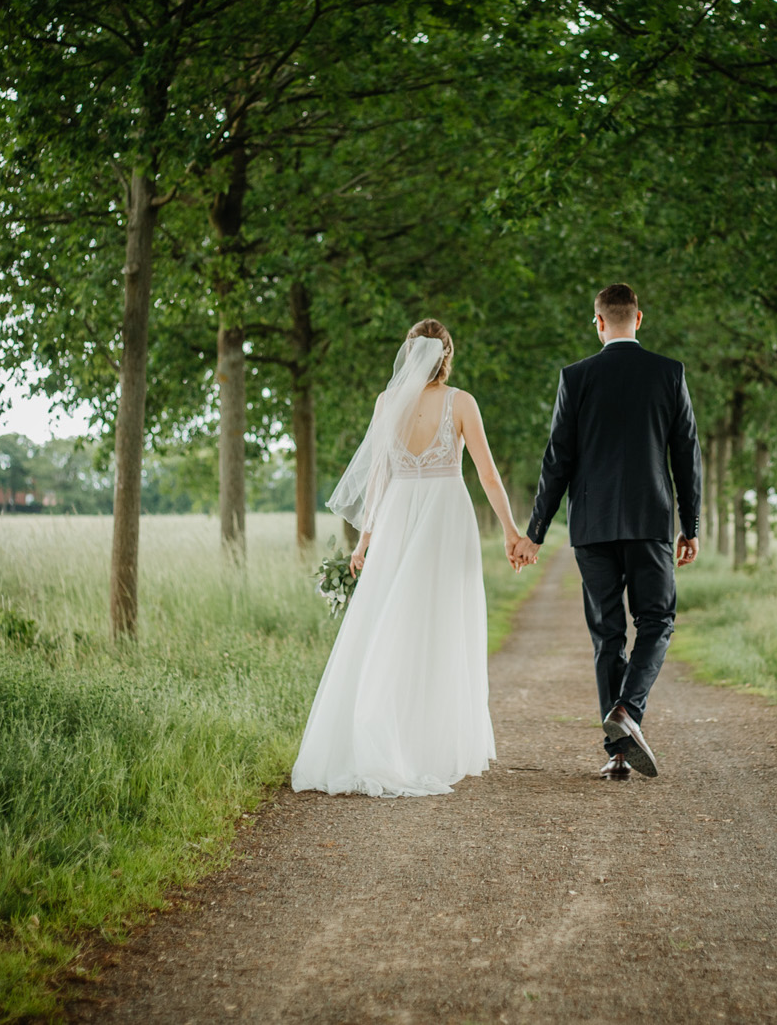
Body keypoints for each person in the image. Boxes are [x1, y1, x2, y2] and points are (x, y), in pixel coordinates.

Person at [291, 320, 532, 797]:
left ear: (409, 353)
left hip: (399, 514)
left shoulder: (387, 404)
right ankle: (427, 746)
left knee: (388, 621)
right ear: (446, 355)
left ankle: (390, 735)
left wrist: (364, 542)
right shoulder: (461, 402)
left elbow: (379, 478)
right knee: (441, 624)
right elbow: (487, 474)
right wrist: (511, 531)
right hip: (446, 515)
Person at [514, 283, 702, 781]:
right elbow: (686, 453)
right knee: (657, 620)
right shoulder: (669, 373)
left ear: (598, 322)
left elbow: (558, 460)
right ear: (639, 319)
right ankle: (628, 713)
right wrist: (692, 524)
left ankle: (618, 754)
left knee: (607, 636)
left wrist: (535, 532)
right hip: (649, 521)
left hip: (591, 525)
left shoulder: (575, 377)